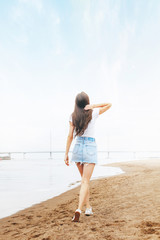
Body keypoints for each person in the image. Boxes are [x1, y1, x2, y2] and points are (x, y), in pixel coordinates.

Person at [64, 91, 112, 222]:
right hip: (90, 146)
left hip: (78, 147)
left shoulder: (72, 116)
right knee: (85, 181)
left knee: (84, 180)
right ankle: (79, 209)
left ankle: (88, 207)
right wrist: (93, 106)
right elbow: (109, 104)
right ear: (87, 102)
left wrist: (66, 153)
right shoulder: (93, 112)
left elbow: (70, 136)